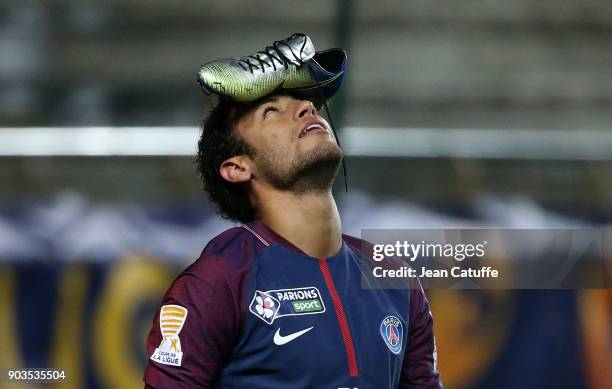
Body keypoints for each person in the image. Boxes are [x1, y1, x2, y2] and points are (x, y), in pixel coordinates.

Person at [143, 34, 442, 389]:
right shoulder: (218, 282)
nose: (306, 108)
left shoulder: (396, 281)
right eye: (272, 111)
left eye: (303, 102)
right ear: (237, 167)